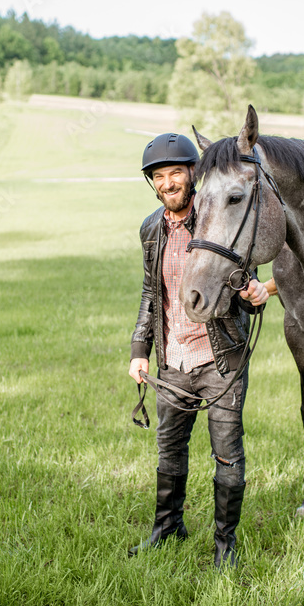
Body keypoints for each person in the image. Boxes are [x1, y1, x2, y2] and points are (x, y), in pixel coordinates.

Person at [128, 132, 270, 568]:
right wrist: (139, 350)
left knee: (227, 453)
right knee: (169, 450)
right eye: (159, 176)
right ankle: (167, 527)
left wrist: (253, 292)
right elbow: (153, 294)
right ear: (153, 183)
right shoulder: (151, 228)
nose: (168, 182)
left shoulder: (220, 221)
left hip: (220, 359)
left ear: (193, 175)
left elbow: (245, 285)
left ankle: (225, 547)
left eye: (176, 173)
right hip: (173, 360)